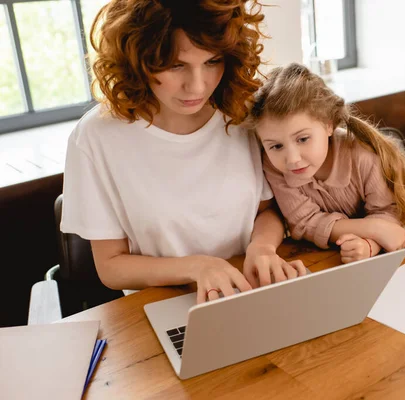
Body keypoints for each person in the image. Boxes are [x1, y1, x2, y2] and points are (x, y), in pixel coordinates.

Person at [60, 0, 305, 304]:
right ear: (137, 60)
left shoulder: (241, 113)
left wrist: (263, 248)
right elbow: (111, 266)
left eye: (212, 61)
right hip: (162, 304)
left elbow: (267, 212)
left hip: (248, 291)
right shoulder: (97, 137)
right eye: (177, 65)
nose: (198, 86)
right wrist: (198, 267)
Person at [247, 63, 405, 264]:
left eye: (302, 139)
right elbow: (304, 223)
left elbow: (390, 218)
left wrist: (370, 245)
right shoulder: (273, 166)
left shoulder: (363, 156)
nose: (292, 159)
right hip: (323, 260)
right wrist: (372, 229)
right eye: (276, 146)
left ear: (328, 125)